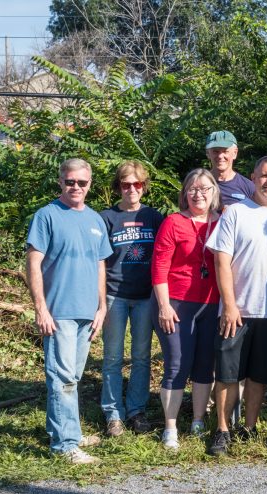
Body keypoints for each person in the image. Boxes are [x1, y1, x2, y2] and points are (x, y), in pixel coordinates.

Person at [205, 156, 267, 456]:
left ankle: (248, 428)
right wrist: (230, 305)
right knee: (227, 374)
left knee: (259, 375)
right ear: (253, 178)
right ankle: (222, 430)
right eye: (263, 175)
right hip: (237, 311)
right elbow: (221, 260)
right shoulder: (236, 212)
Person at [26, 158, 112, 464]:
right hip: (58, 311)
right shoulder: (46, 216)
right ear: (60, 182)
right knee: (62, 377)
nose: (76, 187)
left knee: (71, 376)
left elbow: (100, 264)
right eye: (70, 181)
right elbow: (33, 263)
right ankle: (66, 444)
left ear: (90, 185)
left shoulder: (95, 219)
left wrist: (102, 306)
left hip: (87, 313)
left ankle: (61, 429)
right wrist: (41, 308)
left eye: (82, 182)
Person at [151, 168, 220, 450]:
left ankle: (198, 421)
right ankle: (171, 427)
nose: (198, 194)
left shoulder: (224, 222)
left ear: (214, 192)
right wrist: (164, 306)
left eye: (204, 188)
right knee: (177, 364)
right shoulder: (173, 222)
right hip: (176, 303)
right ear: (184, 194)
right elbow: (159, 267)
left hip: (212, 304)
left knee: (205, 366)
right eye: (192, 189)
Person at [99, 161, 164, 437]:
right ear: (119, 186)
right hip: (115, 294)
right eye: (126, 184)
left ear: (144, 187)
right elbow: (99, 261)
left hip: (145, 297)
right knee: (112, 357)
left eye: (137, 184)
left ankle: (136, 410)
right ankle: (113, 414)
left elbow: (164, 256)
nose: (132, 189)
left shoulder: (154, 217)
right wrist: (99, 299)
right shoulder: (106, 217)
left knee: (141, 357)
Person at [205, 130, 255, 206]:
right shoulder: (198, 185)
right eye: (216, 151)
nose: (220, 156)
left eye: (225, 151)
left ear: (235, 153)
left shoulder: (248, 187)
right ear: (208, 153)